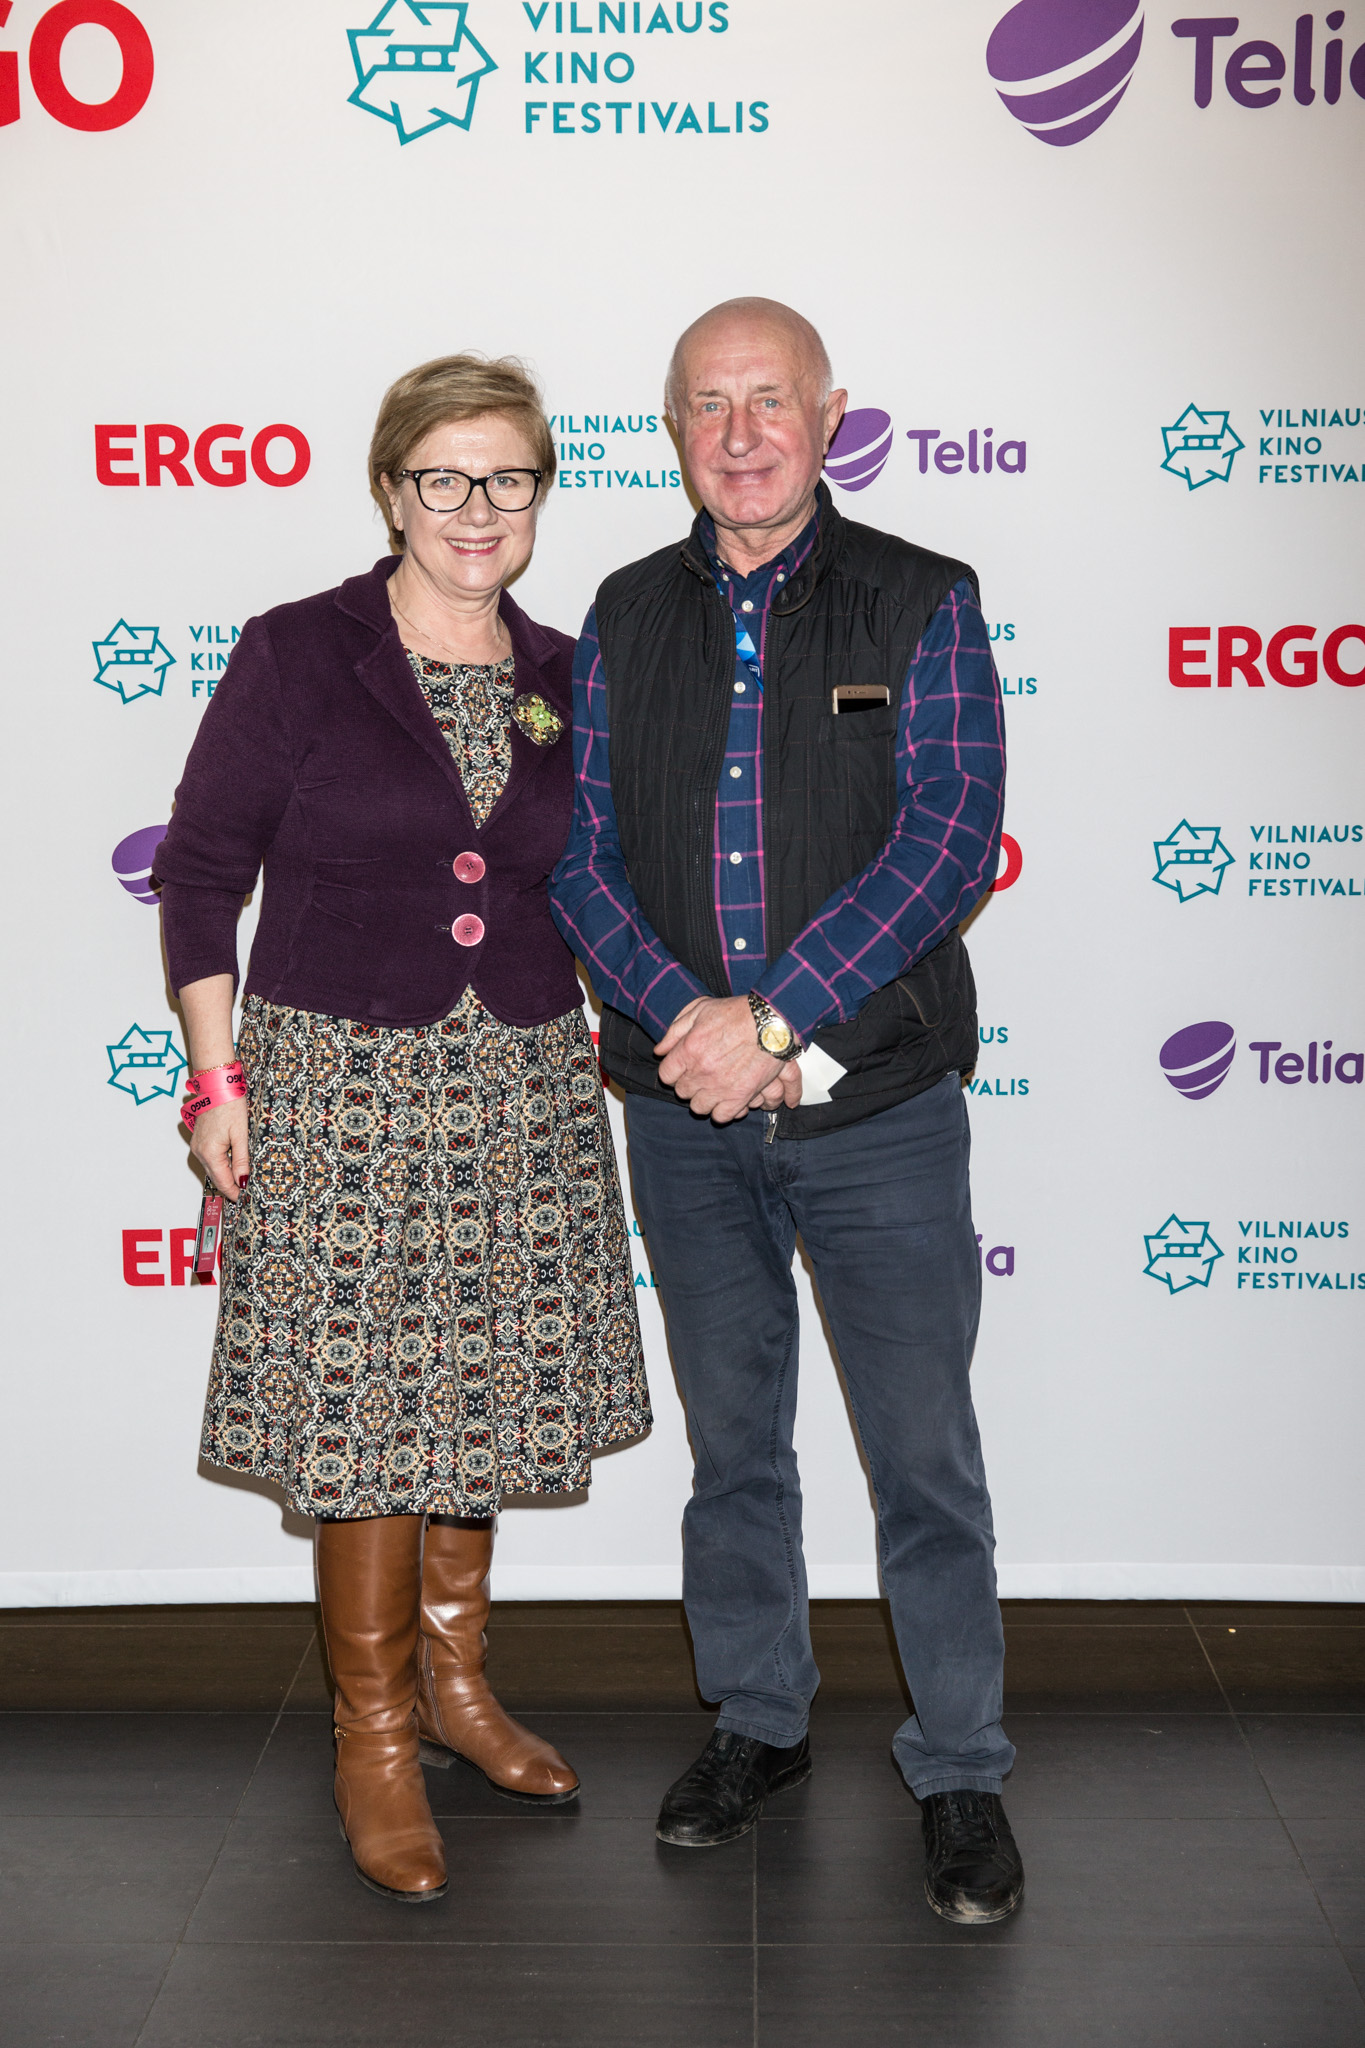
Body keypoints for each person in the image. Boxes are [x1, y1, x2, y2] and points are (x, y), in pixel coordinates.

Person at [154, 354, 650, 1904]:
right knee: (365, 1408)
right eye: (444, 476)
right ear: (390, 491)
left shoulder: (568, 671)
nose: (475, 508)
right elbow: (199, 873)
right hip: (341, 1081)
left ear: (540, 492)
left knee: (479, 1387)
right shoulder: (301, 653)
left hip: (518, 1080)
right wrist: (217, 1083)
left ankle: (456, 1685)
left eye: (507, 477)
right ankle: (370, 1733)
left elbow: (595, 881)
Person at [550, 298, 1022, 1924]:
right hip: (683, 1116)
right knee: (732, 1443)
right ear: (672, 430)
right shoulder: (620, 616)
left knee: (922, 1455)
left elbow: (947, 838)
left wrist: (773, 1017)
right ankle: (757, 1719)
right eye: (708, 404)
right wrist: (691, 1031)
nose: (740, 433)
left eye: (769, 400)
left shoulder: (922, 598)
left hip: (877, 1108)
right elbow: (577, 859)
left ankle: (958, 1764)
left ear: (829, 416)